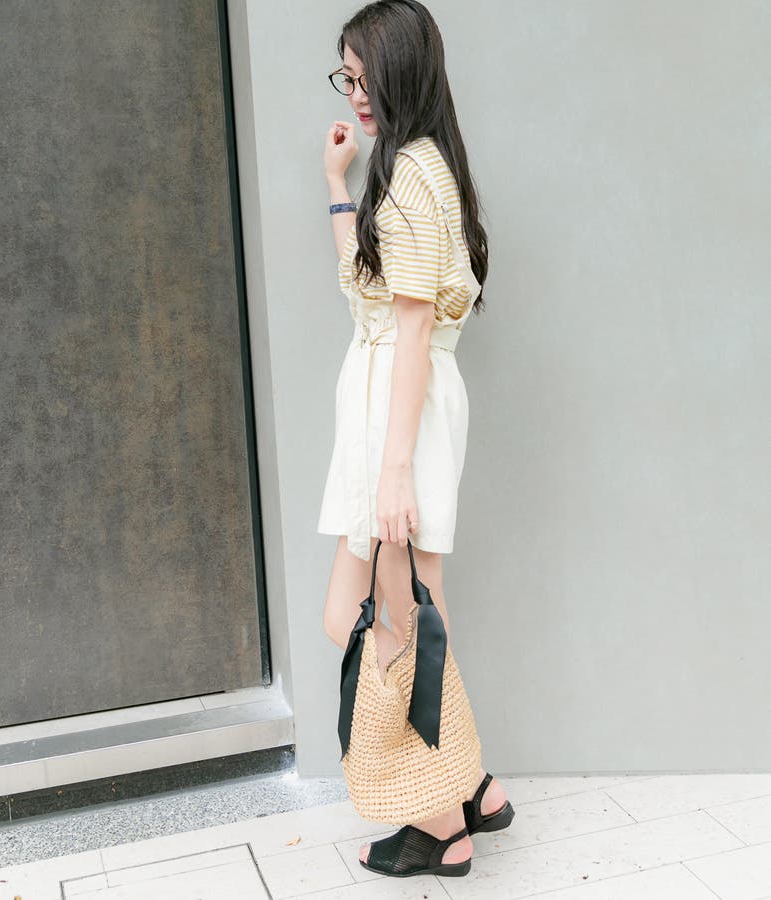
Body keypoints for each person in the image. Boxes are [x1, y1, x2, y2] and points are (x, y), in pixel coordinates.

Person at [316, 0, 514, 879]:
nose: (354, 95)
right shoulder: (424, 168)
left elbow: (407, 333)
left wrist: (393, 472)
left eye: (364, 79)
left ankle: (440, 823)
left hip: (397, 421)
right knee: (404, 615)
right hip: (402, 415)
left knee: (390, 623)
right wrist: (338, 183)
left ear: (401, 73)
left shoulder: (409, 182)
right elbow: (369, 293)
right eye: (346, 79)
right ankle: (474, 789)